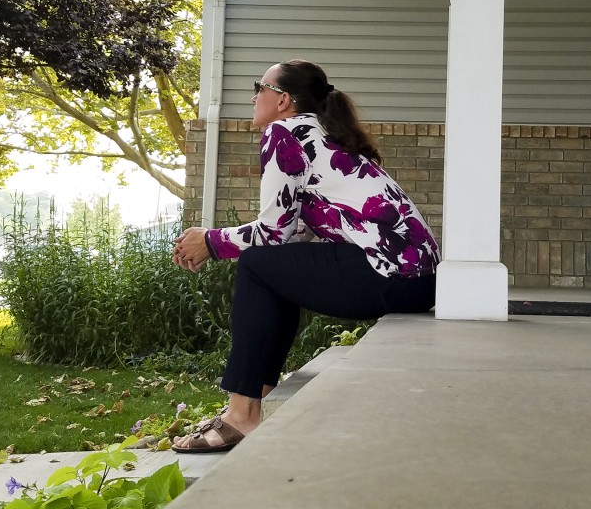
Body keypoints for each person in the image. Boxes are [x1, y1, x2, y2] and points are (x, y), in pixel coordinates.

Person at [170, 59, 439, 453]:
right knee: (271, 267)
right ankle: (254, 398)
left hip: (392, 276)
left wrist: (210, 242)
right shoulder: (321, 132)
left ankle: (241, 414)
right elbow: (292, 230)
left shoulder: (284, 132)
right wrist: (214, 242)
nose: (252, 96)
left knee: (257, 265)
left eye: (259, 87)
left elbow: (272, 231)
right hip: (418, 281)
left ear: (283, 100)